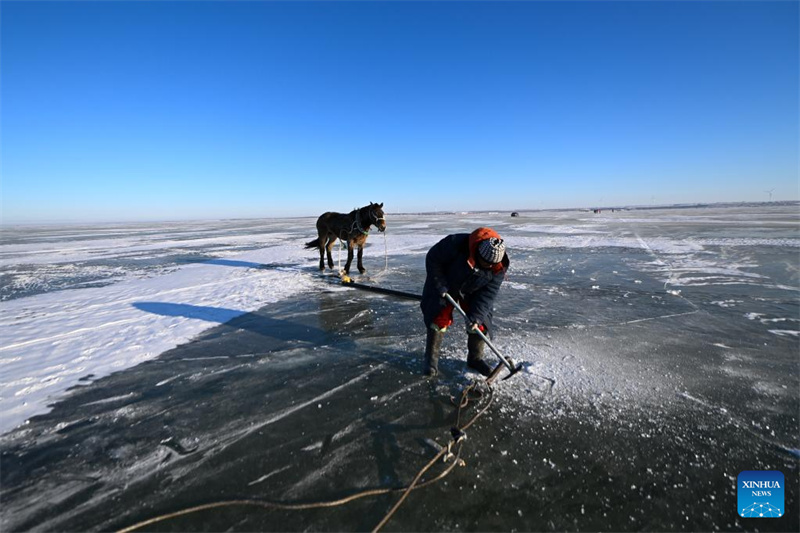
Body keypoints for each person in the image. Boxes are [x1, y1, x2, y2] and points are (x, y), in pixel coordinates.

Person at [420, 227, 509, 377]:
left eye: (491, 265)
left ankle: (475, 359)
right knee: (438, 318)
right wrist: (440, 284)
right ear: (478, 252)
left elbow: (488, 294)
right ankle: (431, 362)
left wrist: (476, 316)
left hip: (474, 289)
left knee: (480, 323)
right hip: (446, 283)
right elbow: (433, 259)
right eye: (485, 263)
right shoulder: (455, 243)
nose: (487, 267)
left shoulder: (498, 267)